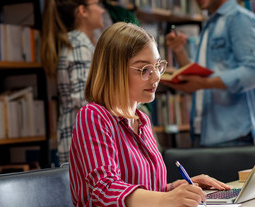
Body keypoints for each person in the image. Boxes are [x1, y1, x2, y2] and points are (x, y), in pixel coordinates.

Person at [69, 22, 230, 207]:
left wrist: (179, 189)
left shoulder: (142, 120)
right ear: (115, 71)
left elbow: (150, 191)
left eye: (157, 66)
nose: (156, 78)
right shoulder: (93, 116)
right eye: (145, 70)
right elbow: (105, 191)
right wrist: (168, 199)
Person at [165, 0, 255, 147]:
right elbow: (199, 78)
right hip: (202, 135)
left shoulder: (240, 20)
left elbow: (254, 73)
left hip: (232, 138)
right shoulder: (209, 25)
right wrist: (179, 51)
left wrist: (204, 83)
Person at [40, 0, 105, 164]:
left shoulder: (79, 43)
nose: (101, 10)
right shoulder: (78, 45)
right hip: (85, 141)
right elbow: (84, 99)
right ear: (82, 11)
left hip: (81, 138)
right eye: (96, 4)